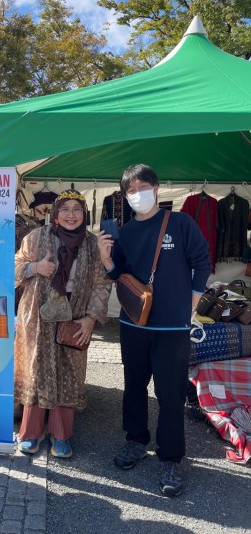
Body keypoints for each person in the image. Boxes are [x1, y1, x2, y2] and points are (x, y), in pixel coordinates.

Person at [97, 164, 211, 497]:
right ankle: (135, 440)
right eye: (130, 191)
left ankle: (171, 458)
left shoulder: (180, 223)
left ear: (156, 189)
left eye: (142, 187)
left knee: (170, 393)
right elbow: (119, 274)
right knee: (133, 385)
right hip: (133, 323)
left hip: (172, 326)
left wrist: (191, 302)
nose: (137, 195)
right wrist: (106, 257)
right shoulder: (126, 232)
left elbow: (202, 261)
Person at [15, 190, 111, 458]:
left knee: (69, 371)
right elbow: (14, 266)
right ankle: (31, 432)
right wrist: (35, 269)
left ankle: (61, 435)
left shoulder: (93, 245)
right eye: (65, 209)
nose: (71, 214)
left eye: (77, 209)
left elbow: (103, 283)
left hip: (75, 316)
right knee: (37, 368)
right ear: (55, 214)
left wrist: (91, 318)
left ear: (84, 214)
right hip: (38, 315)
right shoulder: (36, 237)